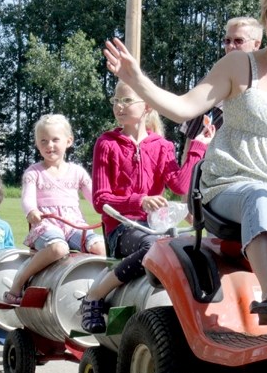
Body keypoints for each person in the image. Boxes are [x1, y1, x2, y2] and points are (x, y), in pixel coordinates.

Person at [103, 0, 267, 327]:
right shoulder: (238, 66)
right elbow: (183, 108)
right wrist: (138, 79)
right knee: (259, 197)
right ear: (265, 18)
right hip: (235, 181)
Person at [78, 81, 207, 333]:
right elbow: (100, 200)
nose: (119, 106)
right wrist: (139, 200)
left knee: (193, 245)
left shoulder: (162, 146)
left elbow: (180, 186)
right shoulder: (107, 143)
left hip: (154, 227)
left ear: (147, 106)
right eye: (115, 101)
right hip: (122, 230)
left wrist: (198, 145)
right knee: (153, 246)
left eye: (126, 101)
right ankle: (94, 296)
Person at [3, 114, 106, 304]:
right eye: (44, 141)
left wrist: (107, 210)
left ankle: (98, 291)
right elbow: (27, 198)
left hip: (74, 225)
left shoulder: (77, 172)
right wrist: (31, 211)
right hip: (46, 225)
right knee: (58, 248)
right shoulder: (34, 173)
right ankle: (21, 278)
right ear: (37, 144)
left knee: (100, 247)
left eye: (55, 140)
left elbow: (96, 197)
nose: (50, 145)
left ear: (69, 141)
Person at [179, 16, 263, 146]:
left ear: (256, 45)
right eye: (227, 41)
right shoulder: (210, 83)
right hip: (209, 163)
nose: (231, 46)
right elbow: (192, 139)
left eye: (238, 41)